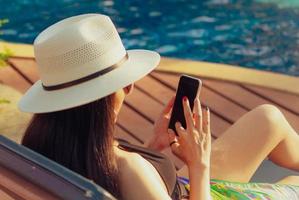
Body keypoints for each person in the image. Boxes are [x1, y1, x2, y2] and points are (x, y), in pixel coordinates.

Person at [19, 14, 299, 200]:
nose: (129, 88)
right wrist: (198, 163)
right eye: (122, 83)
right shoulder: (131, 169)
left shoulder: (43, 148)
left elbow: (113, 177)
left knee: (268, 119)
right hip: (195, 191)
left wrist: (152, 145)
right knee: (292, 186)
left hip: (181, 188)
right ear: (98, 100)